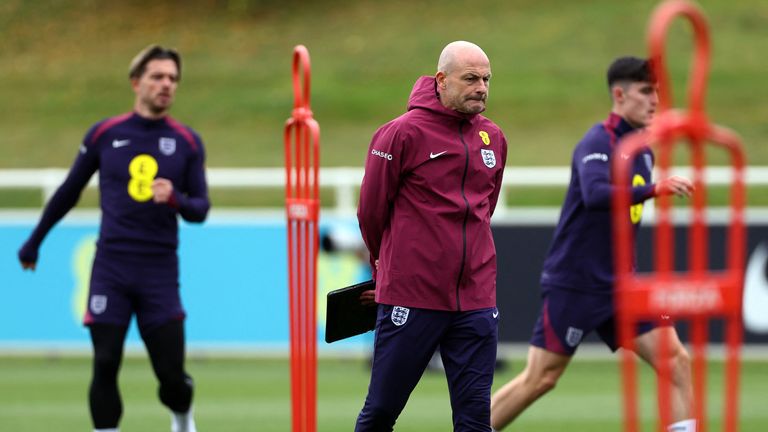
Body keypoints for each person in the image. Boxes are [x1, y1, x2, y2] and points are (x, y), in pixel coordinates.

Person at [490, 56, 696, 432]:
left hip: (622, 286)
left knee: (677, 360)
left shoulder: (642, 151)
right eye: (646, 92)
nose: (655, 101)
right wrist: (654, 190)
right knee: (541, 378)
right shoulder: (598, 140)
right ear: (619, 94)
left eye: (658, 93)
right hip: (577, 282)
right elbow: (596, 193)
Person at [18, 45, 209, 432]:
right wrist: (35, 239)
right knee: (105, 361)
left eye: (173, 78)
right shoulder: (106, 134)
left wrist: (175, 198)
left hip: (159, 271)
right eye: (158, 76)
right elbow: (69, 190)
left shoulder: (188, 142)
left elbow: (201, 209)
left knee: (171, 376)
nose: (166, 84)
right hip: (111, 267)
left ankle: (182, 418)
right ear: (136, 82)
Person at [355, 40, 508, 431]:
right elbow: (371, 212)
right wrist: (386, 268)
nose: (482, 88)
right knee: (381, 413)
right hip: (413, 296)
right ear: (441, 80)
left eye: (487, 79)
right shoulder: (399, 134)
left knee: (475, 420)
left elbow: (484, 211)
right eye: (471, 78)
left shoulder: (493, 138)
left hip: (475, 300)